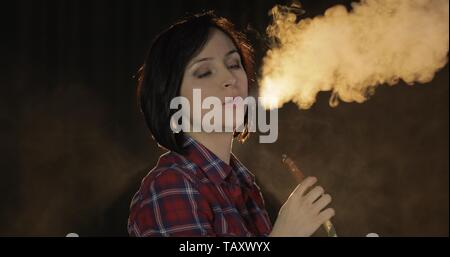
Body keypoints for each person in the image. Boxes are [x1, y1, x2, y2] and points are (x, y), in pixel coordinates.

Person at [127, 11, 335, 237]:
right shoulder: (171, 185)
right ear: (171, 98)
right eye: (205, 72)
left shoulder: (244, 186)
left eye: (234, 64)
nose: (230, 78)